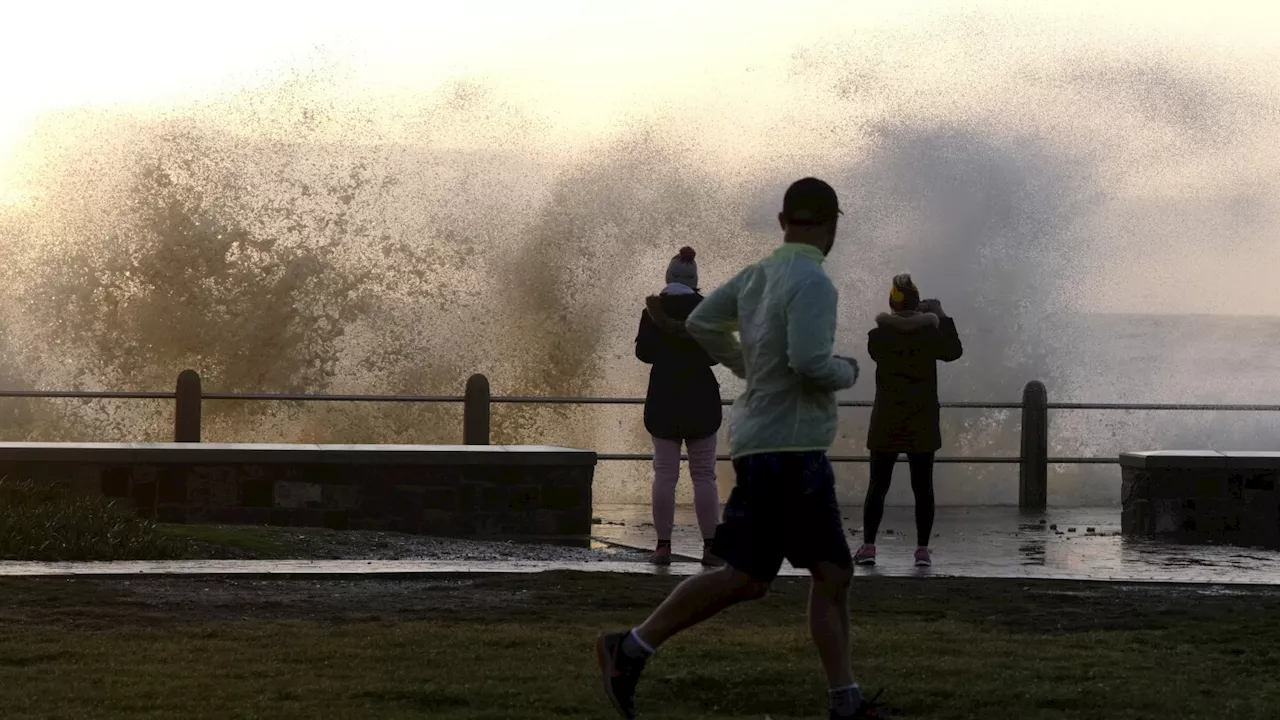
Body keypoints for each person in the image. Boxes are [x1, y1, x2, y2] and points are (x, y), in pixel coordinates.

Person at [596, 178, 884, 720]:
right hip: (792, 448)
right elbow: (808, 363)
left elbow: (703, 323)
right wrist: (847, 370)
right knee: (805, 575)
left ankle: (630, 649)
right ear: (832, 224)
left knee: (774, 576)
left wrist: (747, 367)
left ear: (782, 222)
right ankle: (630, 648)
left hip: (759, 442)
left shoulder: (758, 276)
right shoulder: (815, 283)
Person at [854, 274, 963, 569]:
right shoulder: (930, 335)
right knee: (923, 487)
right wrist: (939, 315)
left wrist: (913, 318)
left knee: (877, 486)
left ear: (890, 304)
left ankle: (869, 547)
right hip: (922, 421)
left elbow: (887, 339)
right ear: (919, 304)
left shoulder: (878, 337)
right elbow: (954, 352)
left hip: (887, 421)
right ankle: (922, 550)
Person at [635, 246, 724, 566]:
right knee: (704, 476)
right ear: (694, 280)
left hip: (664, 399)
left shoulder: (652, 312)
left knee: (665, 475)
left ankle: (662, 546)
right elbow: (716, 356)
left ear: (669, 277)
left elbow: (643, 354)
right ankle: (711, 547)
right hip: (701, 400)